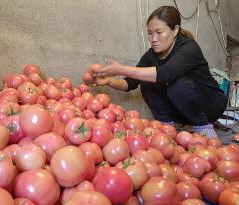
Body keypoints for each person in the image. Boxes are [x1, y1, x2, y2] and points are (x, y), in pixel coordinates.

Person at [93, 5, 227, 139]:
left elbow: (167, 73)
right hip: (183, 109)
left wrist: (122, 68)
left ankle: (203, 127)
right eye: (150, 33)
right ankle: (166, 126)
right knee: (147, 83)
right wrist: (109, 81)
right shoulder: (151, 55)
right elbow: (130, 83)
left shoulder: (189, 48)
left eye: (159, 32)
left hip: (210, 105)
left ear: (175, 30)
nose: (153, 39)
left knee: (177, 85)